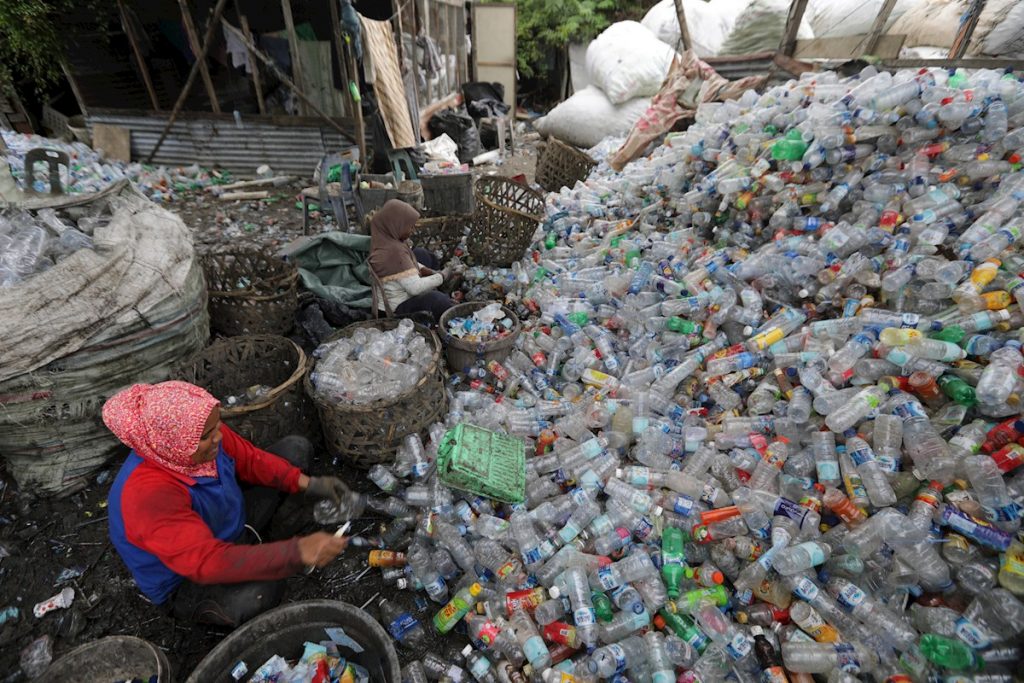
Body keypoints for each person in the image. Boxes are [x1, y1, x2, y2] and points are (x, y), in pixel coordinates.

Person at [103, 381, 351, 628]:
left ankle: (259, 544)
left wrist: (310, 484)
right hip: (187, 578)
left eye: (217, 425)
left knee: (295, 451)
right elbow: (207, 562)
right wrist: (295, 552)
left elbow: (251, 461)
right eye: (206, 436)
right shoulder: (147, 496)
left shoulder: (201, 434)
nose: (218, 437)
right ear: (172, 444)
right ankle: (219, 596)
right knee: (260, 594)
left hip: (227, 523)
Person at [369, 198, 455, 322]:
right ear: (397, 225)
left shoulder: (385, 239)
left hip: (400, 289)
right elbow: (415, 288)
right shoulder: (394, 252)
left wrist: (429, 271)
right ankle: (443, 298)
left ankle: (440, 288)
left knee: (421, 254)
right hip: (395, 310)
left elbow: (406, 262)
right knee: (439, 300)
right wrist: (441, 276)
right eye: (410, 227)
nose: (412, 230)